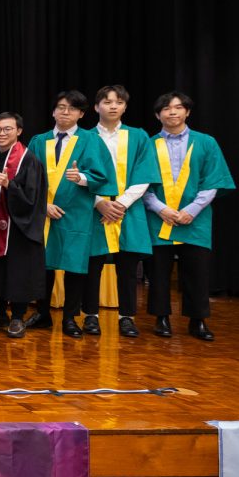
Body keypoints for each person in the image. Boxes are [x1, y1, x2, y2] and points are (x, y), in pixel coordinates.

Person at [143, 91, 235, 341]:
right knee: (158, 271)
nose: (172, 112)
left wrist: (192, 210)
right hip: (158, 217)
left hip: (196, 218)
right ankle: (161, 318)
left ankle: (198, 321)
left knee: (197, 271)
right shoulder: (148, 144)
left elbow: (213, 180)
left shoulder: (206, 142)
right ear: (157, 114)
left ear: (188, 112)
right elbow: (141, 184)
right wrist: (160, 208)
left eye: (178, 107)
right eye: (166, 108)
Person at [24, 90, 117, 338]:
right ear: (53, 111)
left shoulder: (90, 140)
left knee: (75, 267)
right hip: (42, 212)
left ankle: (70, 318)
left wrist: (83, 177)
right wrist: (42, 205)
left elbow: (102, 174)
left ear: (81, 114)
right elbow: (27, 178)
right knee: (43, 266)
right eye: (61, 107)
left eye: (72, 109)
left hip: (76, 213)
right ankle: (42, 313)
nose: (66, 112)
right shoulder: (38, 140)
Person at [81, 86, 159, 338]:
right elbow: (75, 175)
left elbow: (145, 173)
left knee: (127, 267)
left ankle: (127, 317)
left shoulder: (138, 136)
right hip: (93, 209)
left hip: (128, 210)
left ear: (125, 106)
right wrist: (100, 202)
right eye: (106, 101)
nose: (113, 106)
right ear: (96, 107)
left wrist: (121, 203)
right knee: (92, 265)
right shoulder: (84, 137)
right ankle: (90, 316)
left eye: (119, 102)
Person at [0, 112, 48, 339]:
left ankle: (17, 317)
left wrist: (10, 185)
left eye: (7, 129)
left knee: (18, 273)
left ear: (19, 131)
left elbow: (33, 197)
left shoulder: (28, 159)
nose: (1, 134)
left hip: (19, 228)